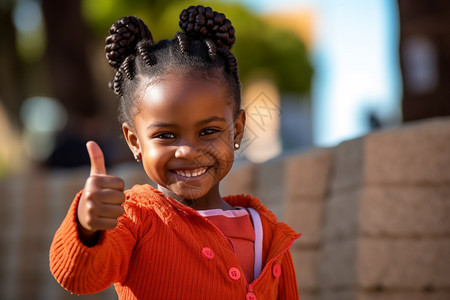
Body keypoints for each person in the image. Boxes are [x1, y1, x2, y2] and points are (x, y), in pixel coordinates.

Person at [49, 5, 301, 299]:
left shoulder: (267, 233)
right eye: (166, 135)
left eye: (209, 132)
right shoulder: (133, 219)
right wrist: (87, 226)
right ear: (135, 142)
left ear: (238, 130)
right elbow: (80, 277)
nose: (188, 150)